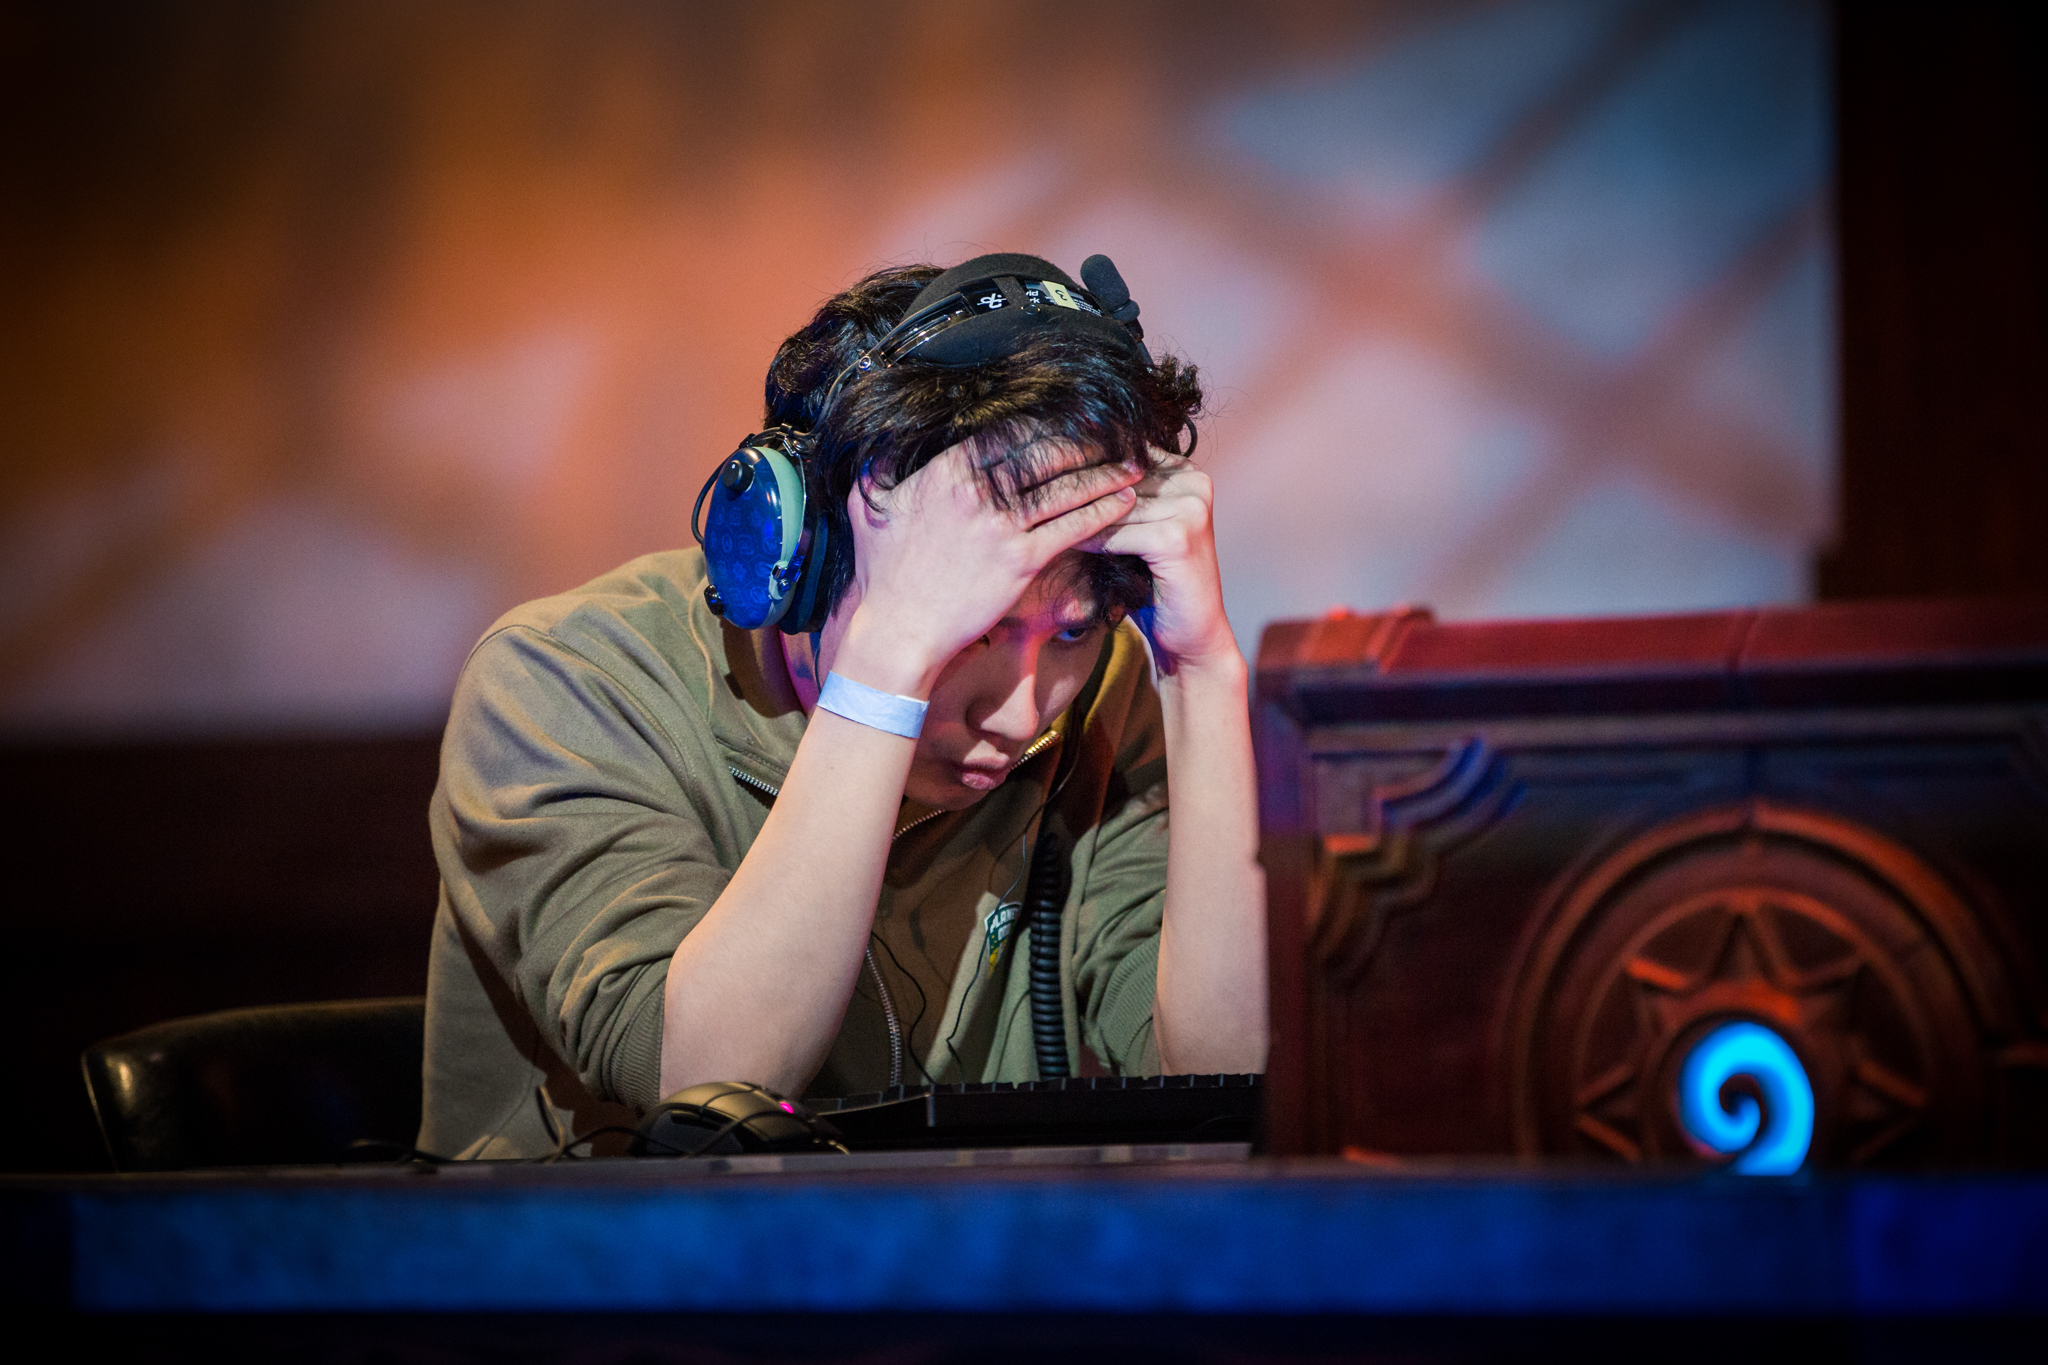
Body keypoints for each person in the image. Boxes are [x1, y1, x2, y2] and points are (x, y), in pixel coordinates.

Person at [418, 252, 1266, 1159]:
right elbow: (707, 1088)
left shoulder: (1104, 696)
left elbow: (1227, 1077)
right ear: (808, 553)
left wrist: (1204, 671)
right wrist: (891, 657)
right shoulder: (562, 682)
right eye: (976, 630)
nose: (1022, 718)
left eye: (1072, 632)